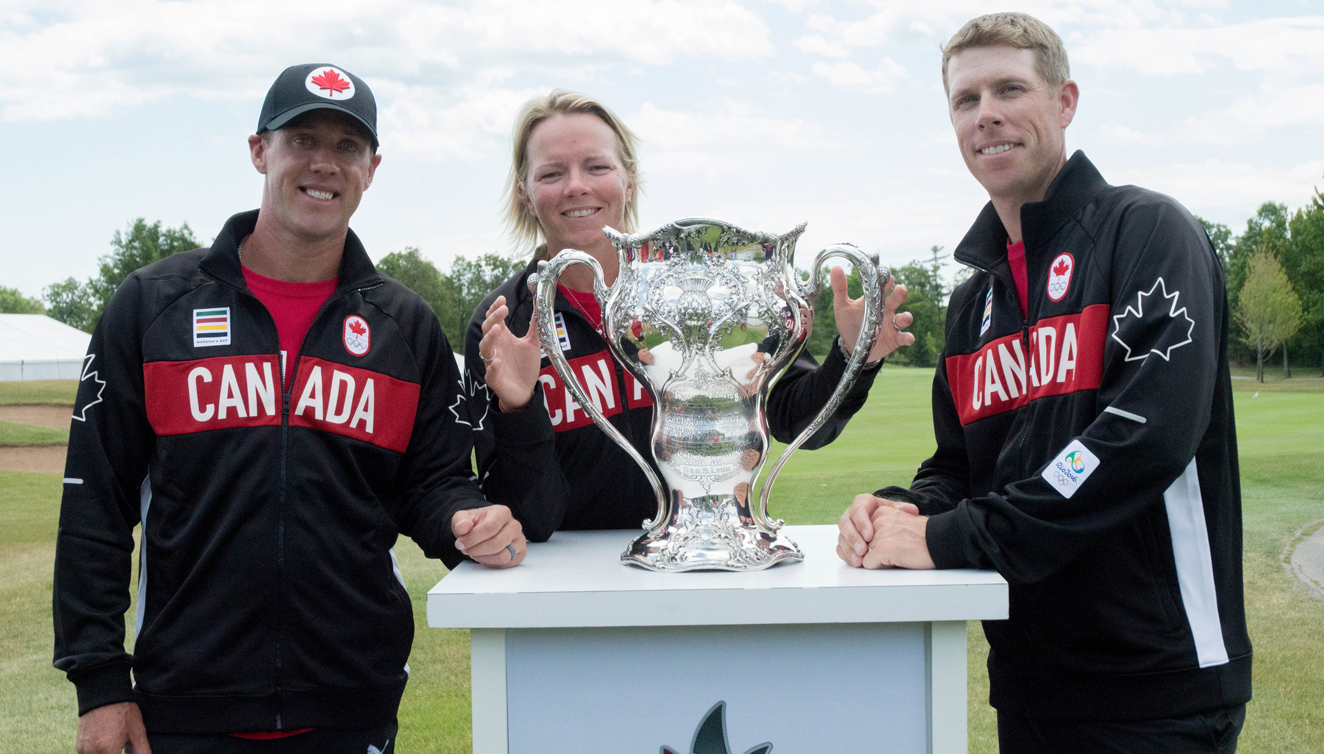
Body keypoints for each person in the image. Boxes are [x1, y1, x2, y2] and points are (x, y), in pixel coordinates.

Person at [52, 63, 526, 754]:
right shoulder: (153, 307)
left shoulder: (404, 326)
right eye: (302, 138)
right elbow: (95, 503)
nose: (324, 164)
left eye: (347, 147)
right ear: (259, 151)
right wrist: (99, 682)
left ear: (373, 167)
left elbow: (429, 485)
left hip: (351, 701)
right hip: (182, 706)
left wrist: (463, 519)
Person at [836, 13, 1251, 753]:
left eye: (1009, 89)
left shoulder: (1149, 232)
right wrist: (897, 511)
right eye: (966, 100)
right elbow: (961, 465)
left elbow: (1137, 439)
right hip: (1030, 681)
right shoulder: (975, 300)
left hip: (1155, 690)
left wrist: (949, 536)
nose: (986, 113)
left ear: (1064, 103)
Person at [461, 90, 916, 539]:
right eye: (552, 172)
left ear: (629, 179)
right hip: (568, 588)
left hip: (701, 567)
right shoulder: (503, 324)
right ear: (524, 191)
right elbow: (530, 516)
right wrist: (518, 409)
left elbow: (797, 422)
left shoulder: (701, 291)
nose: (576, 185)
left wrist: (852, 357)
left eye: (597, 166)